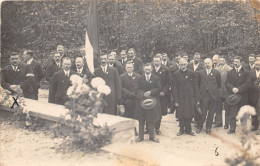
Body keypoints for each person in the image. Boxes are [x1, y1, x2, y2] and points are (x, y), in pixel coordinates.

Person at [172, 58, 200, 136]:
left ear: (187, 64)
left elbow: (195, 86)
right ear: (178, 65)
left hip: (190, 97)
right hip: (180, 98)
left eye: (184, 64)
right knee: (181, 114)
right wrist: (176, 101)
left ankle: (189, 130)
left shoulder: (192, 73)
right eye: (181, 65)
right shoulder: (175, 74)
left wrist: (197, 99)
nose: (183, 66)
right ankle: (181, 129)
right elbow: (174, 89)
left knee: (189, 114)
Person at [136, 63, 161, 143]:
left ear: (151, 69)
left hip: (152, 102)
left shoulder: (156, 78)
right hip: (142, 101)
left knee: (151, 119)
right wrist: (143, 94)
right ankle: (140, 137)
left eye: (149, 69)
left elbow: (158, 88)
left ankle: (152, 137)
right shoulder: (140, 78)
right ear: (144, 69)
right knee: (141, 120)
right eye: (146, 69)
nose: (147, 71)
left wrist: (150, 92)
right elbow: (137, 89)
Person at [226, 56, 250, 134]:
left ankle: (244, 130)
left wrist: (239, 89)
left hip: (243, 96)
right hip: (233, 96)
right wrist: (232, 88)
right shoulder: (230, 72)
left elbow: (247, 83)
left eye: (237, 62)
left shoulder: (246, 72)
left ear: (241, 62)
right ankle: (232, 129)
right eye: (234, 61)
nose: (235, 63)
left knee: (243, 114)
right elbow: (227, 83)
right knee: (232, 114)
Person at [196, 58, 221, 134]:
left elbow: (218, 84)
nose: (207, 64)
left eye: (209, 63)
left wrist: (214, 91)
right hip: (204, 96)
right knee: (203, 112)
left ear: (212, 63)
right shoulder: (200, 72)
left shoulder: (216, 72)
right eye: (206, 63)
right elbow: (198, 84)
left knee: (211, 113)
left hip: (213, 96)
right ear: (204, 64)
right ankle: (199, 126)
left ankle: (208, 128)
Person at [152, 55, 170, 135]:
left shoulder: (165, 69)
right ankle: (149, 127)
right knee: (150, 110)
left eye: (157, 61)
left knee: (159, 111)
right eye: (155, 61)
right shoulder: (150, 68)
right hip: (152, 93)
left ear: (161, 61)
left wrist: (164, 91)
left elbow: (168, 82)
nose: (156, 63)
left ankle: (157, 128)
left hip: (161, 94)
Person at [214, 56, 233, 129]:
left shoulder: (230, 69)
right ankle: (218, 122)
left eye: (223, 60)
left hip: (227, 91)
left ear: (226, 61)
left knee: (227, 108)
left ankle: (227, 124)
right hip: (218, 91)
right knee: (218, 108)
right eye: (220, 60)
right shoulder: (216, 69)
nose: (221, 61)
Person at [248, 60, 260, 131]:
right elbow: (251, 83)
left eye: (259, 65)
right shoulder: (251, 72)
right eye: (256, 65)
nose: (257, 66)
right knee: (253, 110)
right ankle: (253, 125)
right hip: (252, 94)